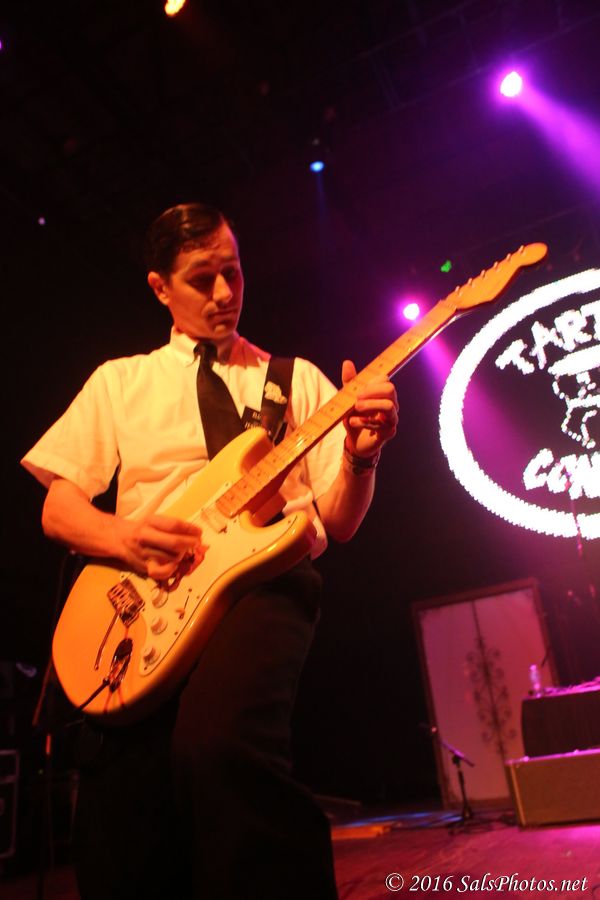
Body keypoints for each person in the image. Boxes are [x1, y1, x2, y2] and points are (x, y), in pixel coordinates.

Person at [22, 203, 398, 899]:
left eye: (234, 272)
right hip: (147, 597)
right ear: (160, 288)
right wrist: (124, 537)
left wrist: (361, 456)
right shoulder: (120, 382)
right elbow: (57, 509)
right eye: (202, 279)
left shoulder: (295, 380)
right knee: (124, 811)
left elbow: (339, 523)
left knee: (223, 747)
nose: (225, 293)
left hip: (264, 586)